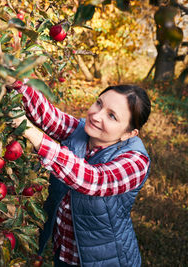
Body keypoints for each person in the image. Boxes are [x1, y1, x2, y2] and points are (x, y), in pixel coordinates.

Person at [10, 82, 151, 266]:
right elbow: (49, 116)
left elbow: (93, 180)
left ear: (129, 133)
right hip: (65, 251)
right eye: (99, 103)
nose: (97, 115)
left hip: (104, 260)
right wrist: (14, 80)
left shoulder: (136, 162)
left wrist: (31, 133)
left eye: (112, 116)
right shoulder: (82, 131)